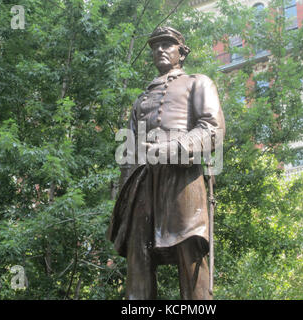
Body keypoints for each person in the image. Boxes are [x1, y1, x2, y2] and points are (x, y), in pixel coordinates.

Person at [107, 26, 225, 300]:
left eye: (167, 44)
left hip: (182, 178)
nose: (159, 49)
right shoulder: (141, 99)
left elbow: (212, 128)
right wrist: (123, 204)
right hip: (142, 184)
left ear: (181, 53)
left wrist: (170, 149)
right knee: (138, 257)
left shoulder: (198, 82)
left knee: (190, 253)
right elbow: (128, 153)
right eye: (155, 46)